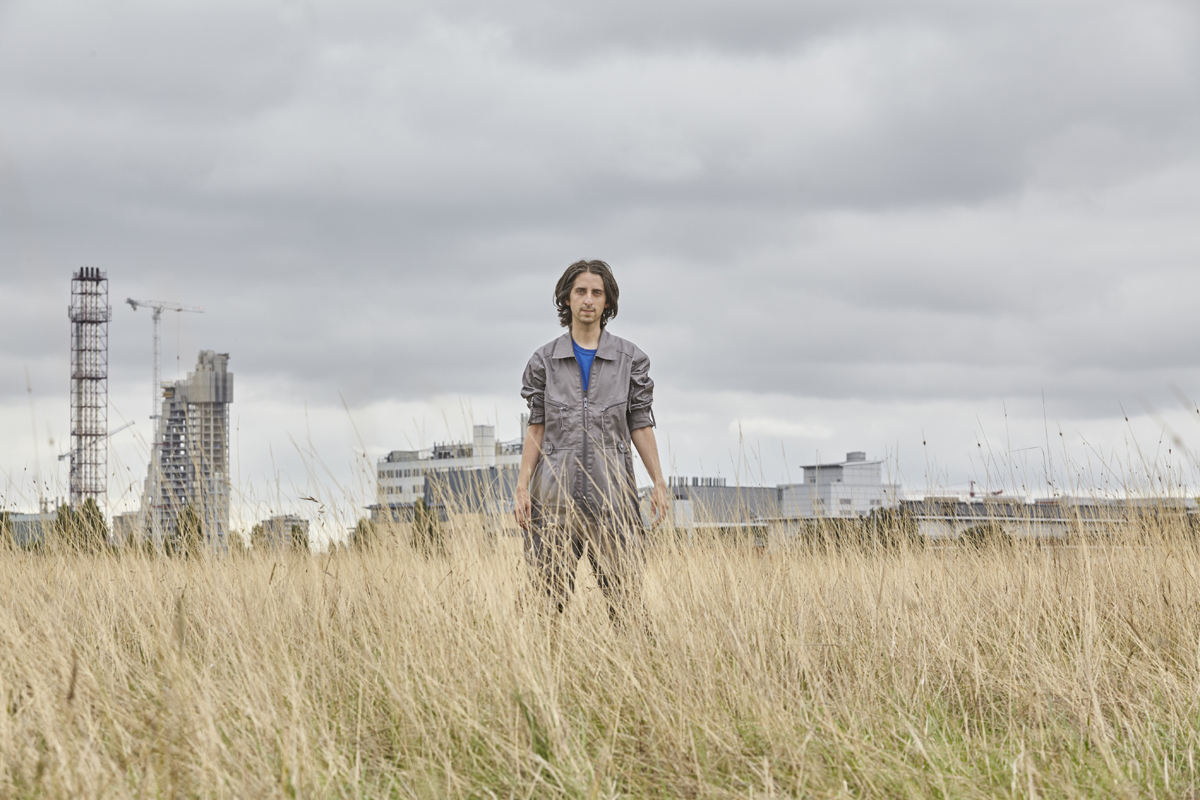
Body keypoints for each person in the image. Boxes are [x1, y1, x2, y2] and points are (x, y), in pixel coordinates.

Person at [515, 259, 669, 620]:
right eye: (580, 291)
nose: (588, 299)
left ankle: (630, 672)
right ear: (566, 300)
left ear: (607, 302)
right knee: (545, 607)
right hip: (554, 501)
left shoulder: (631, 360)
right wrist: (522, 487)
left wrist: (659, 481)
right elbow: (536, 427)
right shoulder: (544, 362)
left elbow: (641, 424)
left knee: (626, 605)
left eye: (596, 293)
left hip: (612, 498)